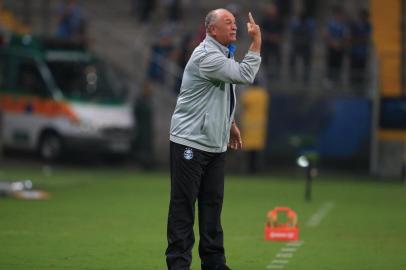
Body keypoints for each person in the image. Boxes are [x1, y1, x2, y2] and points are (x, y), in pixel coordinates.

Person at [166, 8, 261, 270]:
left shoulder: (222, 53)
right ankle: (178, 265)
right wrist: (256, 43)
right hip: (190, 141)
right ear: (211, 30)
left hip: (214, 144)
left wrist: (229, 123)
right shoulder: (207, 55)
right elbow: (244, 75)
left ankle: (214, 265)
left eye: (234, 22)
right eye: (227, 23)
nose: (234, 27)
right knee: (183, 207)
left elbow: (215, 94)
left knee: (212, 207)